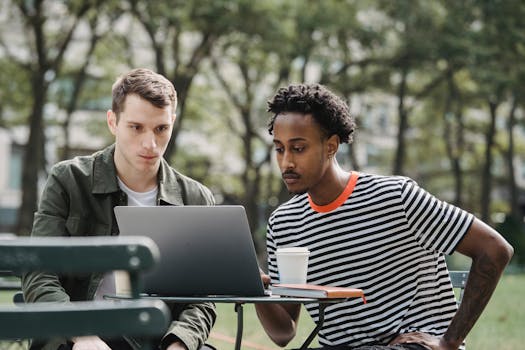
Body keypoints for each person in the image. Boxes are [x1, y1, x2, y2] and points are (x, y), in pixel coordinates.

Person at [255, 83, 514, 350]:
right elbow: (284, 333)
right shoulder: (283, 224)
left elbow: (495, 249)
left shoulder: (396, 197)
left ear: (331, 146)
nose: (286, 162)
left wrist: (449, 341)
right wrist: (254, 284)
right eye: (279, 149)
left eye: (298, 149)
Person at [22, 68, 216, 350]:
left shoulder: (196, 197)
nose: (150, 144)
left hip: (158, 340)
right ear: (112, 122)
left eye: (161, 129)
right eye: (136, 127)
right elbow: (39, 275)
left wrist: (180, 343)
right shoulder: (68, 180)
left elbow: (204, 296)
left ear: (173, 122)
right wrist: (82, 334)